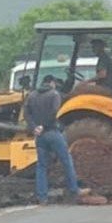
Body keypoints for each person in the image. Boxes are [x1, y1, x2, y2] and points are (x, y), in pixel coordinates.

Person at [25, 74, 80, 205]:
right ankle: (73, 190)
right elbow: (54, 112)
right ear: (52, 83)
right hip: (52, 132)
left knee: (42, 165)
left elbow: (26, 113)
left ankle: (42, 197)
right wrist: (44, 126)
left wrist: (35, 127)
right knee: (66, 160)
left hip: (39, 136)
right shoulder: (54, 94)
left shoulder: (32, 96)